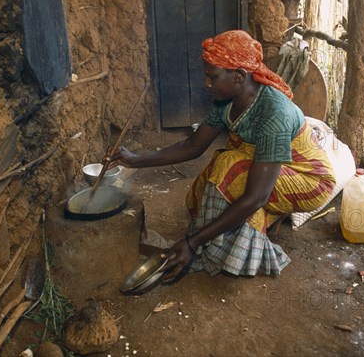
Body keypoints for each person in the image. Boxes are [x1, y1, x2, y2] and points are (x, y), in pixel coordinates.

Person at [108, 30, 336, 281]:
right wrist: (136, 160)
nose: (206, 83)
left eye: (211, 76)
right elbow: (193, 146)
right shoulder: (226, 100)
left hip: (309, 179)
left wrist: (193, 242)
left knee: (232, 169)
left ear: (238, 76)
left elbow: (255, 196)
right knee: (203, 191)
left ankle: (233, 249)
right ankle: (258, 222)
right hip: (273, 166)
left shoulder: (274, 113)